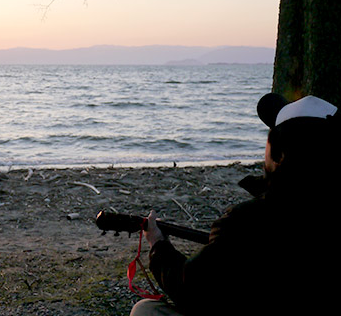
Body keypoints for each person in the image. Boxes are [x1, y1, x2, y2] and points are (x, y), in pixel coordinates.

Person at [130, 93, 340, 316]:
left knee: (146, 310)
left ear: (278, 154)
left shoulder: (248, 220)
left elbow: (192, 288)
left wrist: (158, 245)